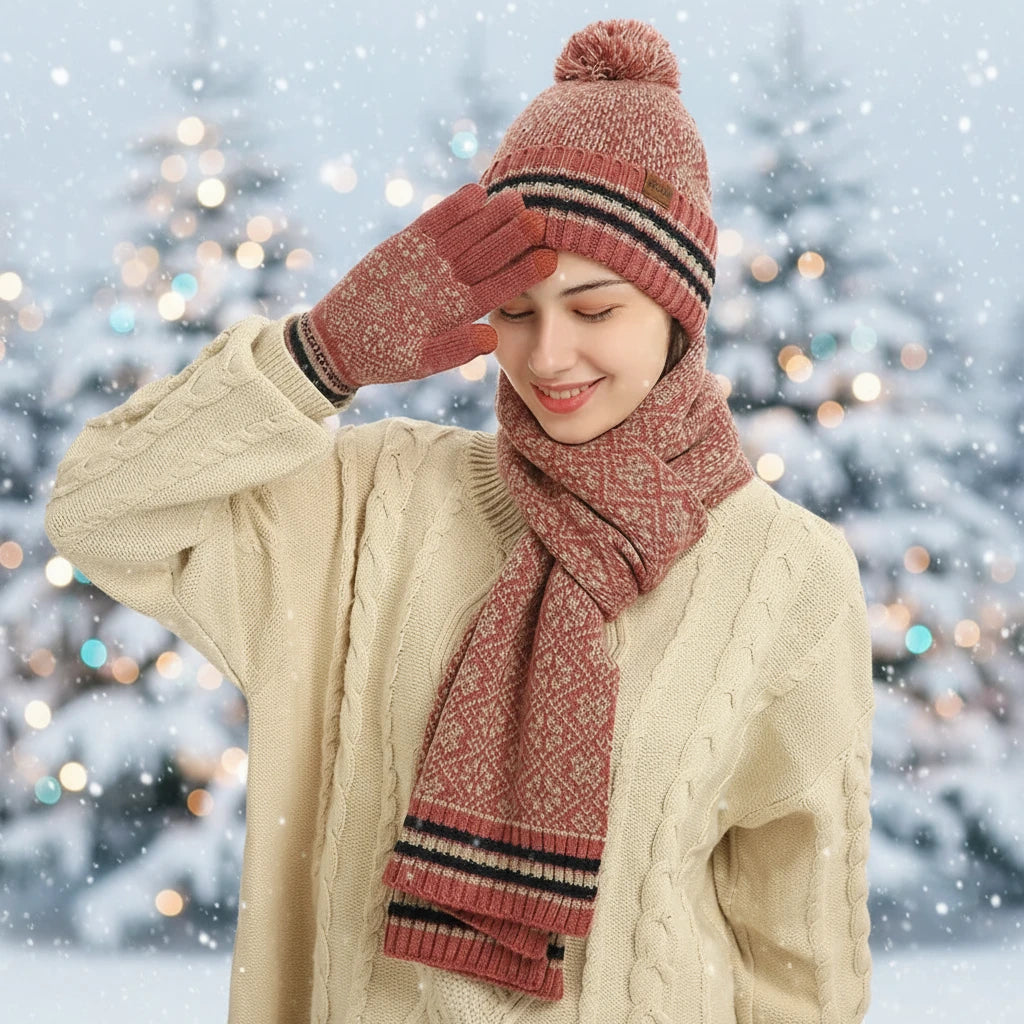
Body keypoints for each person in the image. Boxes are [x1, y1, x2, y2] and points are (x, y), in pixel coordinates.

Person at [44, 18, 875, 1024]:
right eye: (516, 312)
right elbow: (100, 511)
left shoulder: (785, 572)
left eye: (596, 308)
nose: (550, 355)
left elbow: (798, 958)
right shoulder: (369, 507)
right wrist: (320, 357)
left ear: (677, 308)